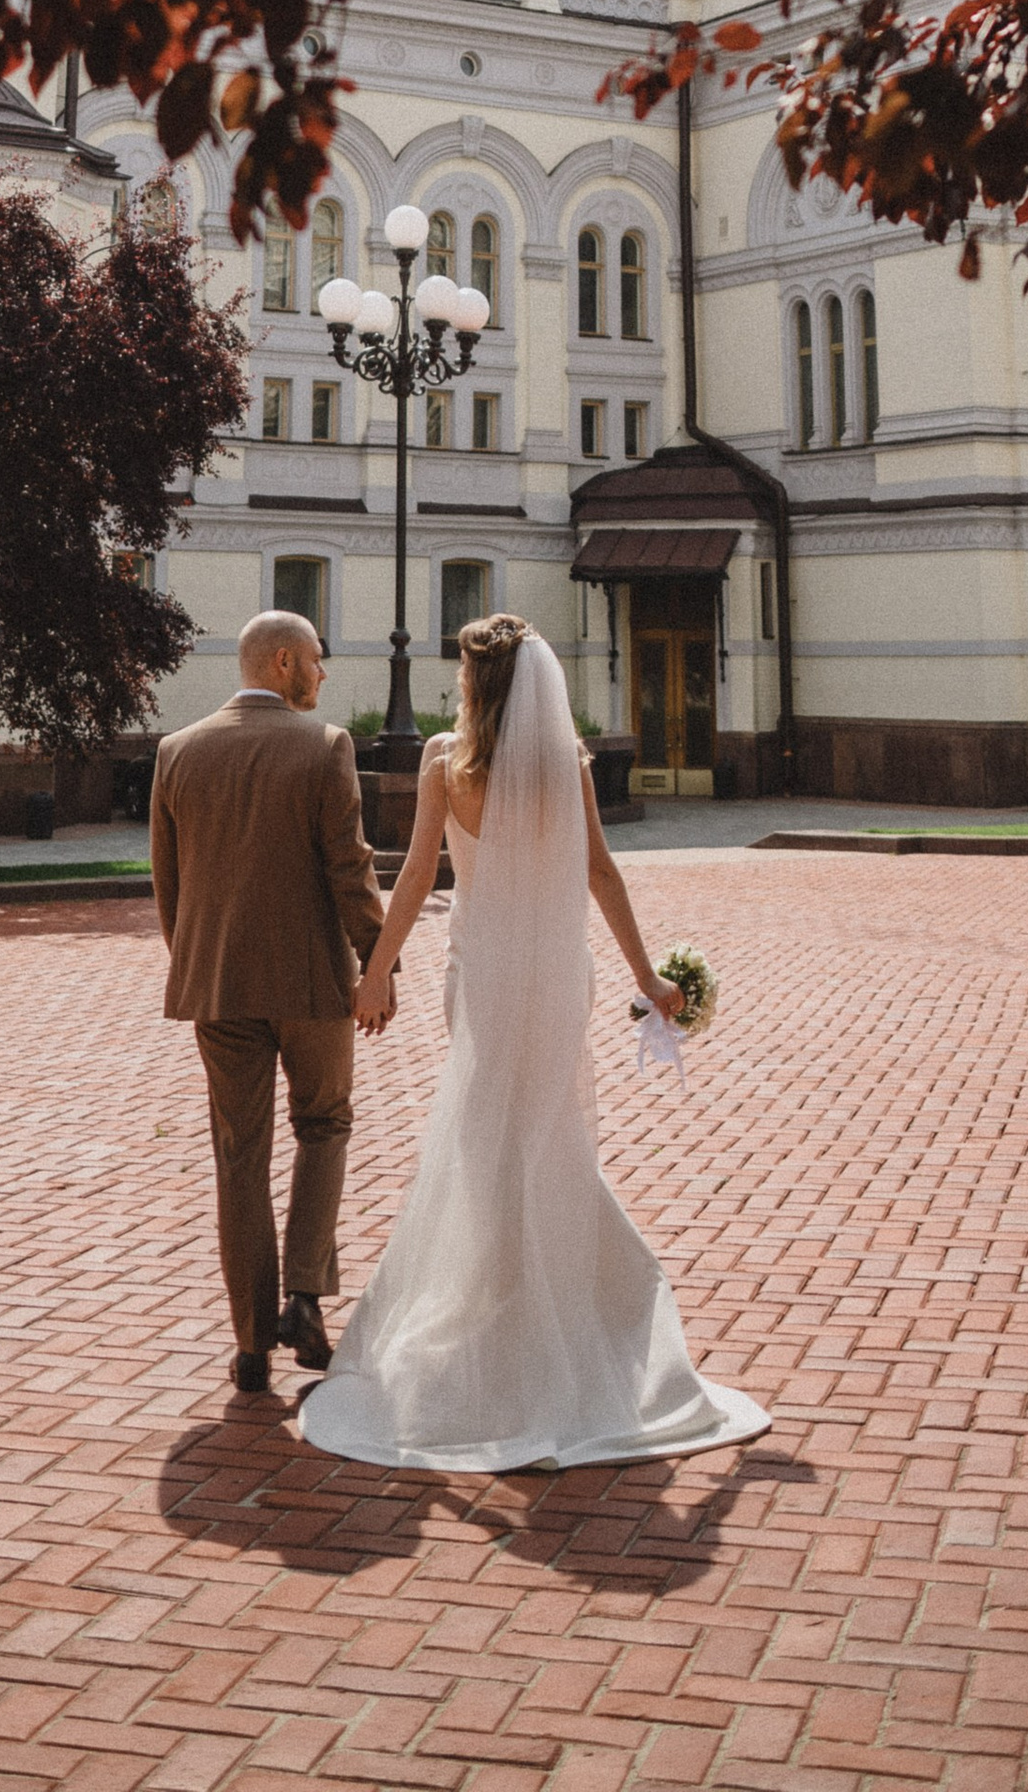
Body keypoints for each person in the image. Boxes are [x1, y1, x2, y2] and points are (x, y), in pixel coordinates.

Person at [297, 614, 768, 1473]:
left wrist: (376, 971)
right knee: (549, 1131)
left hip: (481, 977)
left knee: (485, 1136)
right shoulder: (565, 763)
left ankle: (497, 1303)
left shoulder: (445, 757)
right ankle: (553, 1302)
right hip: (555, 976)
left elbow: (416, 871)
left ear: (477, 682)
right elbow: (600, 870)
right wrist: (646, 978)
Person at [150, 609, 395, 1394]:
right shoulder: (323, 745)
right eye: (318, 661)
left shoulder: (175, 752)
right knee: (325, 1123)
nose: (324, 676)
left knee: (238, 1154)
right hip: (313, 984)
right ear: (285, 662)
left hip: (217, 986)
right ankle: (305, 1299)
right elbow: (349, 869)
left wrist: (200, 963)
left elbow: (170, 888)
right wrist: (376, 963)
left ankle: (251, 1342)